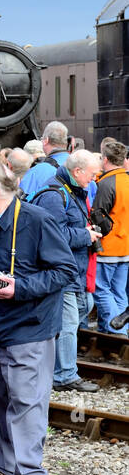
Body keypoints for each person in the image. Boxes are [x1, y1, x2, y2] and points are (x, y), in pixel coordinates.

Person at [0, 160, 77, 475]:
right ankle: (7, 467)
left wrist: (22, 287)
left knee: (27, 401)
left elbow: (65, 271)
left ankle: (32, 474)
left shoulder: (37, 220)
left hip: (29, 328)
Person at [30, 150, 101, 393]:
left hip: (74, 269)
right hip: (62, 270)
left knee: (82, 308)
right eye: (91, 175)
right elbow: (54, 235)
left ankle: (56, 368)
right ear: (77, 171)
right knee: (69, 322)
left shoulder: (69, 189)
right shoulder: (55, 194)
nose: (93, 180)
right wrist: (86, 235)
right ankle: (65, 375)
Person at [93, 140, 129, 333]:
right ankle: (113, 333)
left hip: (108, 248)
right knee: (119, 292)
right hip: (125, 247)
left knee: (102, 291)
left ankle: (117, 332)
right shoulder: (126, 179)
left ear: (105, 159)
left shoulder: (106, 184)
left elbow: (98, 216)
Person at [19, 121, 70, 197]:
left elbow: (22, 200)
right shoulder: (82, 165)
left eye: (42, 139)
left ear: (46, 140)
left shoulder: (37, 172)